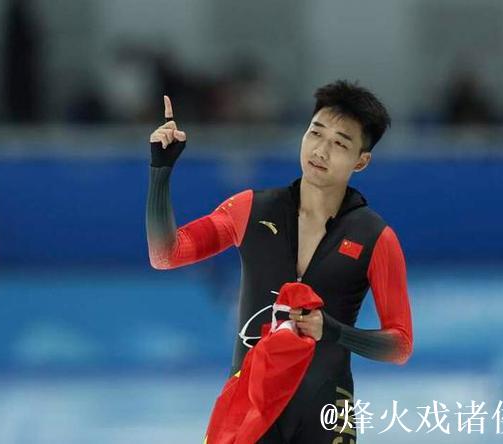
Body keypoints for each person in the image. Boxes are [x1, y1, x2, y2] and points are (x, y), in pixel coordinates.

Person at [146, 81, 414, 443]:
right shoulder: (250, 209)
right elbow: (166, 254)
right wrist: (160, 171)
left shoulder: (376, 238)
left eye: (339, 143)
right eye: (315, 133)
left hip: (325, 414)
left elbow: (400, 345)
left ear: (361, 160)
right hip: (248, 412)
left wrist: (332, 331)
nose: (321, 150)